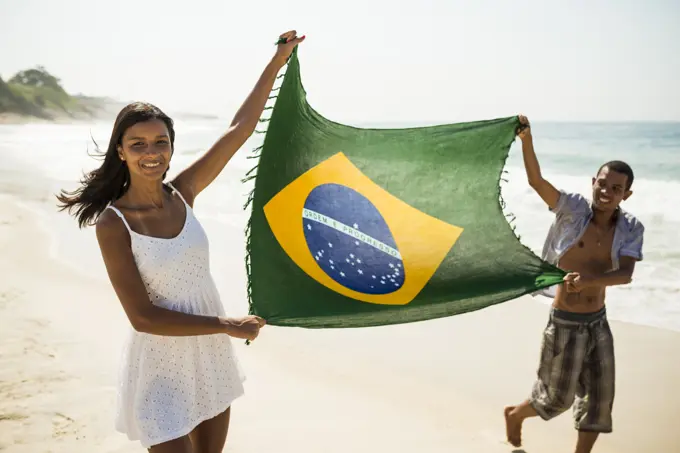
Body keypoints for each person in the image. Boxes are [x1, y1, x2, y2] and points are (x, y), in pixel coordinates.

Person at [56, 30, 305, 453]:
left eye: (160, 142)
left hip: (208, 357)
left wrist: (277, 62)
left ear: (171, 147)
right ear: (120, 151)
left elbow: (239, 130)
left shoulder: (182, 193)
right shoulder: (114, 225)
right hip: (160, 367)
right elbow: (143, 317)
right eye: (138, 144)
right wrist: (228, 325)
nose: (151, 153)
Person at [503, 116, 644, 453]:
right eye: (603, 184)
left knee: (599, 400)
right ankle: (515, 415)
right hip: (565, 321)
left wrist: (592, 280)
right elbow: (537, 182)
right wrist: (526, 140)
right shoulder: (573, 210)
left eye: (616, 188)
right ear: (593, 181)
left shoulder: (630, 228)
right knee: (556, 398)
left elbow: (625, 274)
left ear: (626, 194)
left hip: (598, 321)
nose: (607, 193)